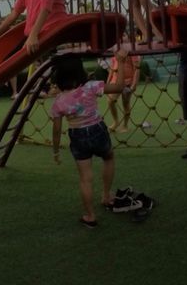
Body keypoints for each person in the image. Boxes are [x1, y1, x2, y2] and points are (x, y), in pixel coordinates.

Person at [48, 55, 139, 227]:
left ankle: (90, 216)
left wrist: (55, 151)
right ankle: (106, 195)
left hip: (78, 136)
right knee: (109, 157)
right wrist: (119, 61)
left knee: (85, 178)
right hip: (98, 130)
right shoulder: (91, 87)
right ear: (79, 72)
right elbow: (119, 87)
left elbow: (57, 130)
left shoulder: (58, 102)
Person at [105, 43, 139, 133]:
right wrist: (108, 81)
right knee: (110, 100)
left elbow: (137, 68)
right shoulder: (115, 50)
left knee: (125, 104)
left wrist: (134, 84)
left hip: (127, 82)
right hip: (115, 81)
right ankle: (116, 121)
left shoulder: (131, 49)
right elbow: (112, 68)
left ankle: (125, 125)